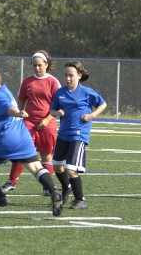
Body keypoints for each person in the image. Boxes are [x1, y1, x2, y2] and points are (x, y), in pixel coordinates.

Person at [0, 66, 63, 216]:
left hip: (7, 138)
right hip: (23, 136)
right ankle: (54, 192)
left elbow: (7, 107)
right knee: (35, 167)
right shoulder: (4, 90)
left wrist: (17, 112)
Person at [0, 50, 60, 196]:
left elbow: (58, 105)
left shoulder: (53, 82)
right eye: (34, 65)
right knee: (21, 151)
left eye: (40, 65)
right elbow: (21, 99)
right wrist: (21, 113)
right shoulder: (27, 81)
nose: (37, 68)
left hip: (48, 122)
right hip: (29, 122)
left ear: (46, 64)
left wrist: (47, 120)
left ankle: (47, 186)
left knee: (46, 155)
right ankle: (12, 181)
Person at [50, 61, 107, 210]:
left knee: (70, 169)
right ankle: (67, 187)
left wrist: (91, 115)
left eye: (71, 75)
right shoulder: (60, 93)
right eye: (66, 75)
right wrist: (57, 113)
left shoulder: (87, 92)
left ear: (79, 76)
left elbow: (103, 104)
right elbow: (52, 111)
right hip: (63, 134)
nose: (68, 78)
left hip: (79, 135)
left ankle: (80, 199)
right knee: (56, 166)